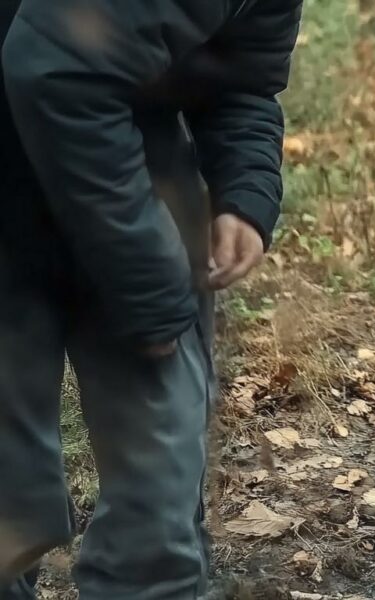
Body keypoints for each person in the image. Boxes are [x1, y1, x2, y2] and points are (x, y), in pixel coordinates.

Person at [0, 0, 302, 597]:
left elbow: (240, 77)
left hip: (134, 168)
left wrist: (245, 191)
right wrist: (153, 293)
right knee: (11, 502)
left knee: (157, 511)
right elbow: (53, 68)